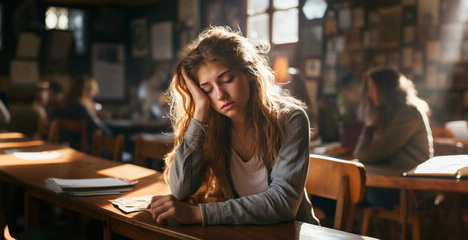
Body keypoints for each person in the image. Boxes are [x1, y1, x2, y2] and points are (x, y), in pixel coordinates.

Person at [148, 26, 319, 226]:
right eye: (207, 89)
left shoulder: (290, 120)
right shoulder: (214, 125)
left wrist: (198, 214)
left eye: (227, 79)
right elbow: (180, 190)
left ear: (249, 73)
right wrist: (199, 113)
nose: (220, 95)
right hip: (244, 233)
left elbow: (283, 203)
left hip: (292, 234)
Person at [354, 67, 433, 210]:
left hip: (413, 188)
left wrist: (369, 128)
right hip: (393, 181)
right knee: (351, 192)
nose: (368, 94)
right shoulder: (387, 114)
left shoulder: (409, 115)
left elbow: (364, 154)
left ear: (385, 90)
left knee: (366, 195)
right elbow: (365, 154)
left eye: (372, 89)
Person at [57, 77, 111, 151]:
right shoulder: (79, 106)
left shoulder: (64, 104)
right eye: (92, 91)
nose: (93, 94)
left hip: (66, 147)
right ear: (85, 92)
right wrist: (95, 117)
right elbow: (101, 131)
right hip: (82, 150)